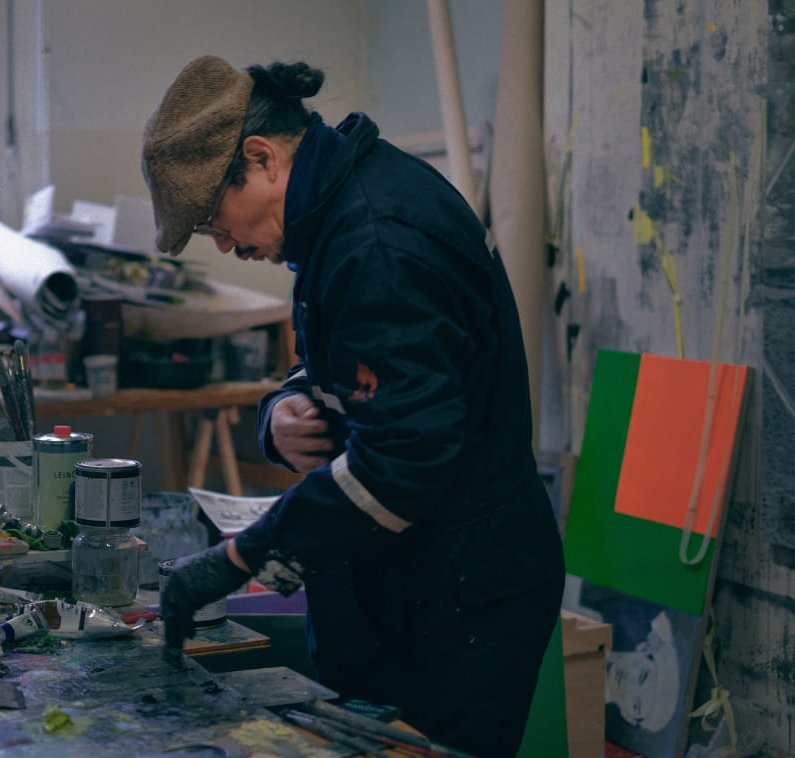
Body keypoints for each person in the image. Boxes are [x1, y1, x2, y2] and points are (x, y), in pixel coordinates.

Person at [144, 56, 565, 758]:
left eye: (214, 219)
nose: (223, 243)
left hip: (456, 592)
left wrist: (244, 552)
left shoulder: (376, 240)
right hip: (402, 574)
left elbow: (406, 457)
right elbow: (348, 361)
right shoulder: (339, 209)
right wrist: (283, 410)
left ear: (261, 157)